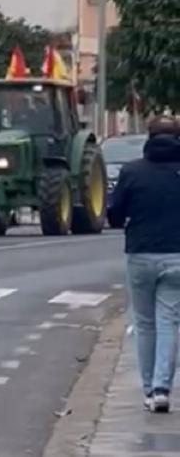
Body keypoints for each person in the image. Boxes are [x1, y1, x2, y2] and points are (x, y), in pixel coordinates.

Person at [108, 114, 180, 414]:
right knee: (169, 320)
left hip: (140, 252)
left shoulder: (132, 171)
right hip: (177, 255)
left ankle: (149, 389)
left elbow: (114, 213)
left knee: (144, 323)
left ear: (149, 137)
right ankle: (163, 388)